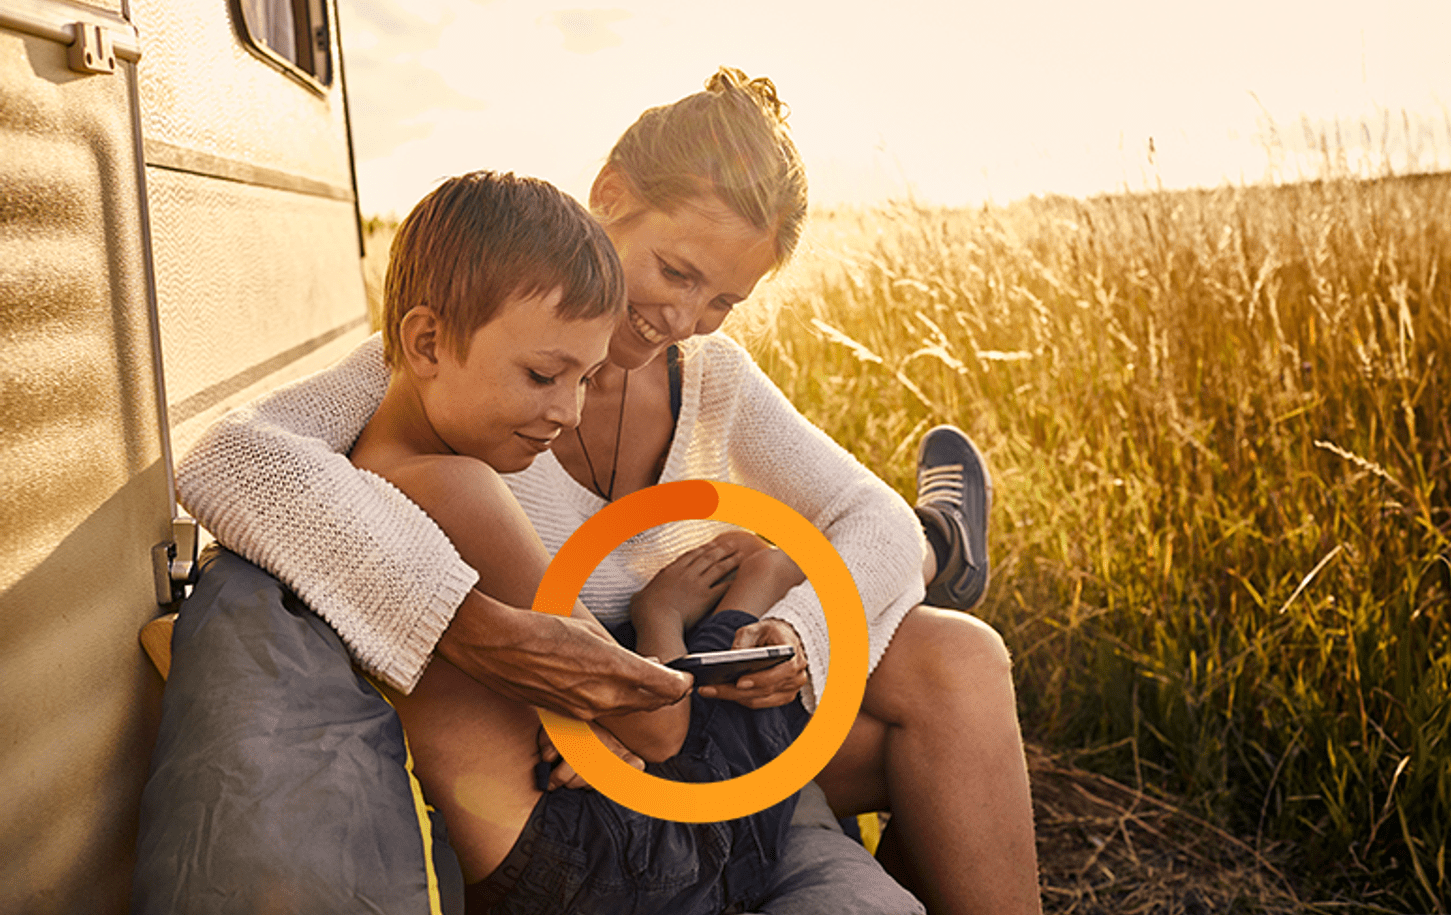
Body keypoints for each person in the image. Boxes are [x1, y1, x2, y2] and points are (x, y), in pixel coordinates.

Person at [177, 68, 1040, 915]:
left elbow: (867, 518)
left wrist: (800, 637)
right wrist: (467, 626)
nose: (685, 319)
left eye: (723, 301)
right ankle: (942, 547)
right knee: (796, 591)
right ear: (610, 193)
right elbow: (229, 461)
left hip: (664, 700)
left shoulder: (710, 376)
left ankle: (933, 547)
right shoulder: (459, 353)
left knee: (959, 655)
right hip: (613, 747)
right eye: (675, 271)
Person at [339, 169, 919, 915]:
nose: (569, 413)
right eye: (546, 375)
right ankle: (818, 563)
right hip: (622, 862)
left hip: (567, 853)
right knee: (760, 628)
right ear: (425, 341)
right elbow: (661, 725)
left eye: (583, 381)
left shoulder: (365, 464)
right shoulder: (460, 488)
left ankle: (869, 553)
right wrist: (661, 613)